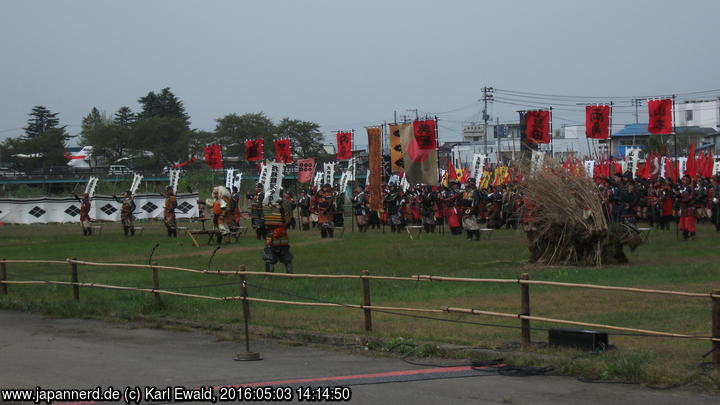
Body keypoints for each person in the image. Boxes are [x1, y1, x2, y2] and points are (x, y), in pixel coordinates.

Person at [263, 203, 294, 274]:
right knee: (287, 260)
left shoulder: (269, 215)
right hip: (282, 241)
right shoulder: (281, 217)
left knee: (269, 259)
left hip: (274, 240)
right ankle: (290, 275)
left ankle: (268, 277)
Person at [678, 175, 697, 240]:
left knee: (690, 222)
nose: (684, 181)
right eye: (683, 180)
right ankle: (685, 236)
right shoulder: (682, 188)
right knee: (683, 222)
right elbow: (680, 196)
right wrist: (677, 196)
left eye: (686, 180)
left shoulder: (691, 188)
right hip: (683, 208)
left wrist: (682, 200)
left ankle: (692, 235)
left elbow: (691, 197)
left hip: (690, 207)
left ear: (689, 181)